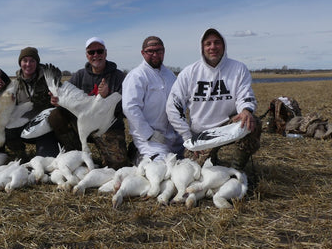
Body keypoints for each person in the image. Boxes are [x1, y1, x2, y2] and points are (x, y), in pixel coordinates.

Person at [166, 28, 261, 170]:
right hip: (201, 136)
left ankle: (236, 171)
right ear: (202, 47)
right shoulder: (189, 73)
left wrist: (246, 110)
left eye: (217, 43)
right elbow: (173, 107)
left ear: (223, 45)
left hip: (228, 129)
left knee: (251, 122)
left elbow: (245, 94)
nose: (213, 47)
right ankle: (211, 158)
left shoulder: (238, 68)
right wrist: (187, 138)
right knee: (196, 173)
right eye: (208, 44)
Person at [47, 37, 129, 169]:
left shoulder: (119, 77)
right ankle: (75, 152)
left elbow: (126, 107)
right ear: (87, 56)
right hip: (84, 125)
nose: (96, 55)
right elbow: (61, 93)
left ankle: (126, 151)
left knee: (116, 165)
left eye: (99, 51)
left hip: (107, 127)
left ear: (105, 53)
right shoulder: (79, 76)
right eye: (91, 52)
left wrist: (107, 97)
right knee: (56, 114)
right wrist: (56, 101)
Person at [122, 36, 184, 164]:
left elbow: (179, 103)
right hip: (150, 139)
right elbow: (130, 107)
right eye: (150, 51)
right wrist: (149, 134)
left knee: (193, 162)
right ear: (143, 53)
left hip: (173, 137)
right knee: (162, 168)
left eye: (159, 51)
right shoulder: (137, 76)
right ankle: (138, 154)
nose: (155, 54)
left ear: (164, 52)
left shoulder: (170, 75)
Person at [0, 47, 60, 160]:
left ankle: (55, 149)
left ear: (37, 62)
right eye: (25, 60)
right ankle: (21, 155)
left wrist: (57, 101)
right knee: (7, 129)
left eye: (32, 61)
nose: (28, 64)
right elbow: (6, 107)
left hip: (45, 127)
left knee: (45, 162)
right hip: (25, 126)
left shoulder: (48, 79)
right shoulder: (14, 84)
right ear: (20, 63)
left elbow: (62, 99)